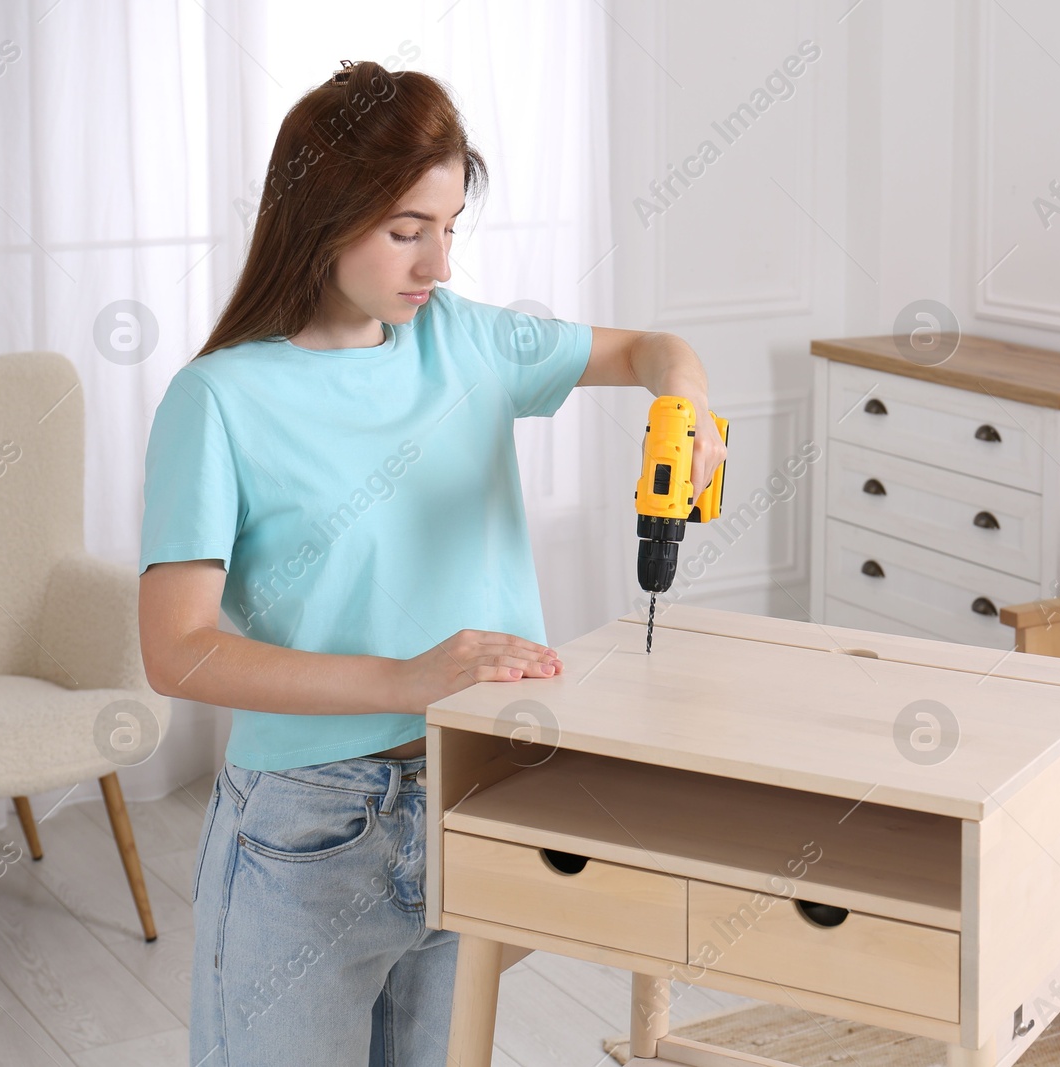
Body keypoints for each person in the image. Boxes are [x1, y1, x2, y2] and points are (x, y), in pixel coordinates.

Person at [137, 59, 725, 1066]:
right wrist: (406, 679)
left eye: (450, 228)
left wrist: (685, 397)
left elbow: (648, 348)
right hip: (308, 832)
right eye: (408, 230)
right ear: (321, 213)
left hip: (476, 789)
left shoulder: (466, 342)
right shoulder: (220, 399)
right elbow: (177, 652)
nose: (438, 265)